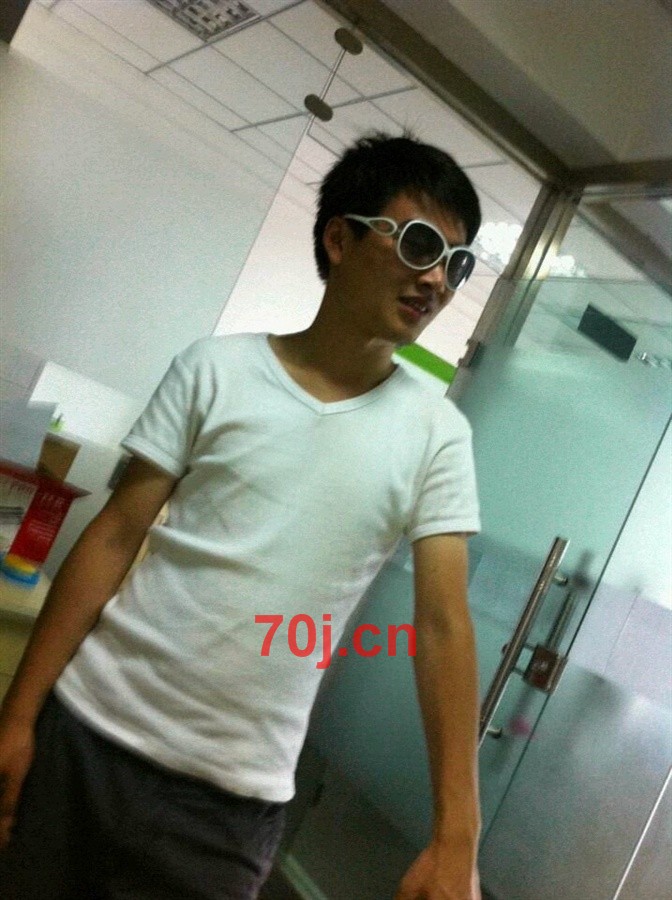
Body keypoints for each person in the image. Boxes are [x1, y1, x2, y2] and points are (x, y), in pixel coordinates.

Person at [0, 132, 483, 899]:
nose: (438, 280)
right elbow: (115, 536)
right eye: (421, 244)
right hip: (84, 734)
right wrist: (19, 715)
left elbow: (443, 625)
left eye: (457, 264)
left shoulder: (437, 436)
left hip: (228, 809)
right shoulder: (214, 370)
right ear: (339, 238)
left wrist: (458, 835)